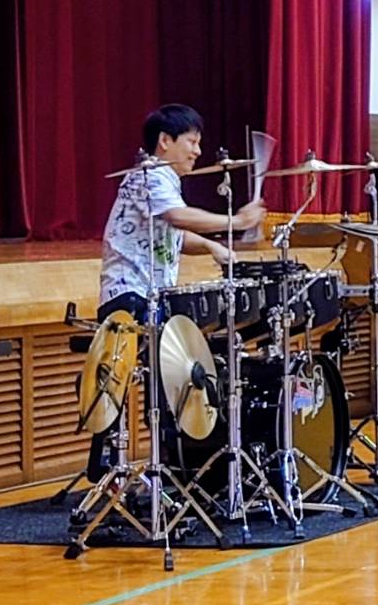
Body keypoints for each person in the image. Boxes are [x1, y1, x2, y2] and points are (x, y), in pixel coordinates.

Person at [87, 104, 266, 479]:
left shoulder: (166, 182)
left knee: (181, 368)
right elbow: (177, 217)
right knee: (178, 370)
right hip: (129, 297)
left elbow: (175, 233)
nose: (198, 151)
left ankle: (169, 458)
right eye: (192, 141)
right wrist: (236, 222)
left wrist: (213, 245)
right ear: (165, 142)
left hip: (150, 296)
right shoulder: (150, 174)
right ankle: (158, 457)